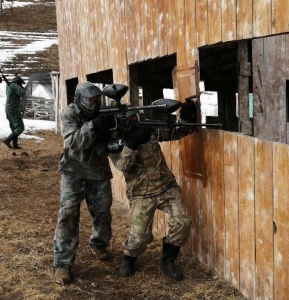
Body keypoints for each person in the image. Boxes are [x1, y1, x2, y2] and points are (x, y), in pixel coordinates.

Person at [109, 100, 197, 281]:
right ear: (119, 120)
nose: (133, 120)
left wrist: (186, 118)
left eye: (135, 116)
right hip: (141, 192)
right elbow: (122, 165)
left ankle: (168, 260)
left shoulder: (148, 129)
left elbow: (176, 131)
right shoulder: (114, 139)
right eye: (128, 118)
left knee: (183, 222)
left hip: (166, 186)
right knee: (139, 236)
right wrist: (132, 143)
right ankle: (130, 258)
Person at [53, 81, 115, 284]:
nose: (94, 104)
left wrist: (117, 127)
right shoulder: (69, 113)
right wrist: (94, 125)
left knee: (103, 211)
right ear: (79, 99)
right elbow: (72, 143)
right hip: (73, 172)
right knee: (68, 214)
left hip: (98, 170)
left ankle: (99, 243)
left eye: (97, 100)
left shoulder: (103, 113)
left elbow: (114, 141)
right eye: (90, 100)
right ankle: (63, 263)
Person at [2, 74, 26, 149]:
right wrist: (23, 89)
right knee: (20, 127)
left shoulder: (9, 85)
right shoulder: (15, 86)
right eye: (21, 83)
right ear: (19, 82)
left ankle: (15, 145)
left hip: (8, 109)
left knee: (14, 128)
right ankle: (7, 140)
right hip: (14, 108)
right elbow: (22, 94)